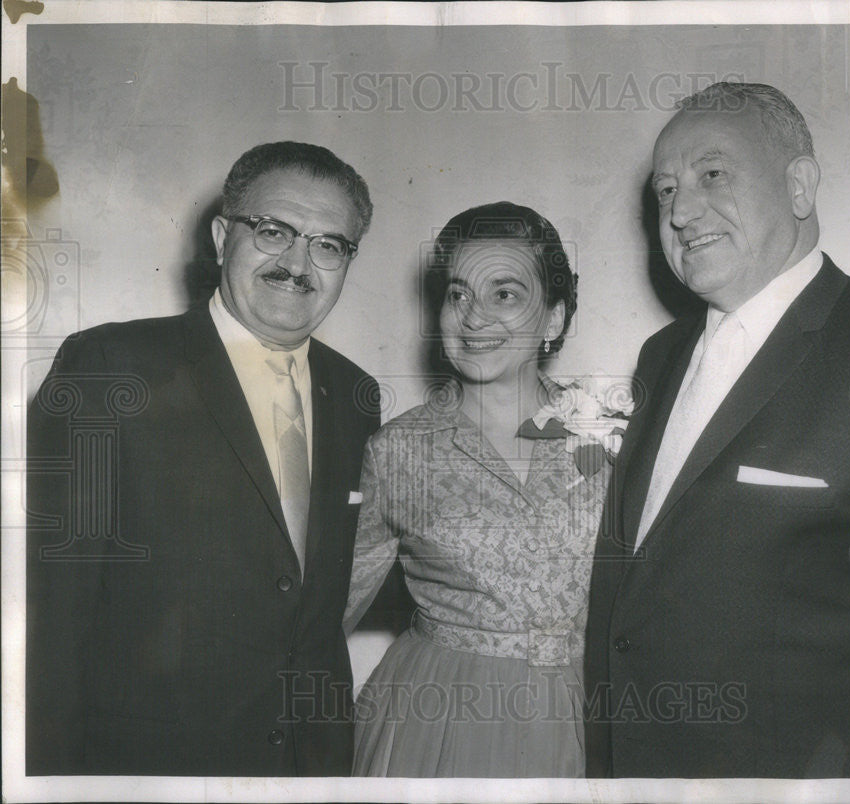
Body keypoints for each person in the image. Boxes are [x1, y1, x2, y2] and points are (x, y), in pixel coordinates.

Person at [584, 83, 850, 779]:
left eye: (713, 175)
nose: (680, 211)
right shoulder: (660, 357)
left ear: (799, 186)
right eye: (665, 190)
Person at [26, 141, 381, 775]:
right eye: (274, 231)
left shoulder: (357, 396)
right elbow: (49, 614)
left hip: (308, 766)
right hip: (150, 768)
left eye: (328, 245)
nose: (298, 263)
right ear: (223, 237)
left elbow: (314, 612)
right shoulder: (110, 367)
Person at [343, 202, 608, 777]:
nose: (473, 318)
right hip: (439, 719)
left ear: (554, 319)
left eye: (505, 294)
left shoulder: (611, 434)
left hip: (591, 714)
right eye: (458, 294)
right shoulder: (400, 450)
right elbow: (324, 614)